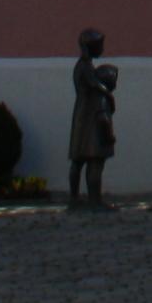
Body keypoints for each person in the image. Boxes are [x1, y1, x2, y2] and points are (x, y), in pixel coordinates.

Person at [65, 28, 118, 208]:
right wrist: (108, 95)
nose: (102, 48)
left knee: (78, 161)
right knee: (92, 161)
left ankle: (75, 198)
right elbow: (94, 84)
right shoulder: (85, 66)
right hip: (89, 118)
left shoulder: (84, 65)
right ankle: (91, 199)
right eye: (100, 45)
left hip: (82, 114)